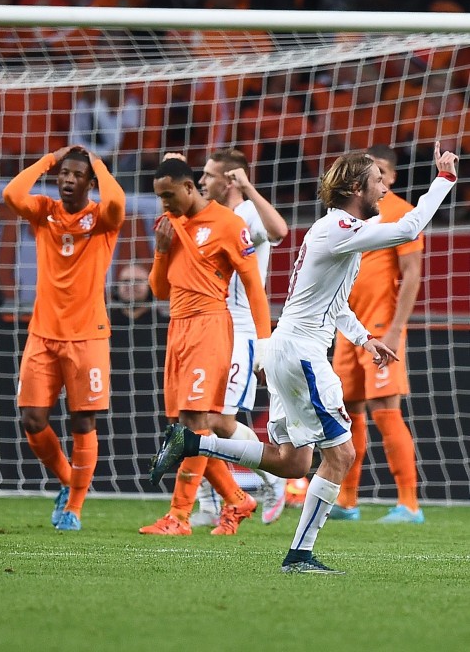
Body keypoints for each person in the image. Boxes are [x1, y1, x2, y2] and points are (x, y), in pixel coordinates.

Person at [150, 143, 457, 573]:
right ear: (355, 188)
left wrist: (364, 338)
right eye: (377, 181)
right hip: (302, 356)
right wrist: (444, 180)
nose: (384, 189)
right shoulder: (340, 227)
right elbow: (407, 230)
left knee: (293, 461)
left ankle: (192, 442)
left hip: (287, 349)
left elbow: (334, 304)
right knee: (342, 456)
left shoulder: (335, 231)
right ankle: (299, 555)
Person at [139, 157, 272, 537]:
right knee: (184, 429)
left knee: (197, 423)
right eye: (159, 197)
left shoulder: (229, 225)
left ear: (188, 188)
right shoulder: (169, 225)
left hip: (211, 327)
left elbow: (253, 287)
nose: (164, 204)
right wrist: (162, 249)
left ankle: (178, 517)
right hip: (177, 328)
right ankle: (237, 498)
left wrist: (264, 339)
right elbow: (159, 289)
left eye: (169, 195)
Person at [2, 145, 125, 531]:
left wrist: (100, 165)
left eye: (77, 175)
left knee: (83, 422)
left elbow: (117, 201)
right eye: (64, 174)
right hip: (42, 334)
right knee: (32, 418)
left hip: (88, 337)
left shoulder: (102, 220)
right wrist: (47, 161)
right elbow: (11, 195)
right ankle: (69, 479)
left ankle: (73, 507)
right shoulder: (44, 211)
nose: (68, 180)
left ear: (90, 181)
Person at [190, 149, 290, 528]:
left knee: (219, 420)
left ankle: (272, 478)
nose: (202, 181)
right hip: (210, 326)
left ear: (230, 180)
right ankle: (208, 505)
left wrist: (248, 187)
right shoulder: (211, 216)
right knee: (196, 416)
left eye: (209, 175)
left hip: (242, 329)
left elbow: (280, 232)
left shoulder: (247, 213)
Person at [329, 145, 426, 523]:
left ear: (394, 176)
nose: (377, 178)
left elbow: (413, 272)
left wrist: (397, 329)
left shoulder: (402, 213)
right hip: (349, 328)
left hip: (383, 325)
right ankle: (348, 501)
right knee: (348, 411)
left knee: (385, 411)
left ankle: (409, 504)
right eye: (371, 171)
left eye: (383, 171)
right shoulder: (351, 214)